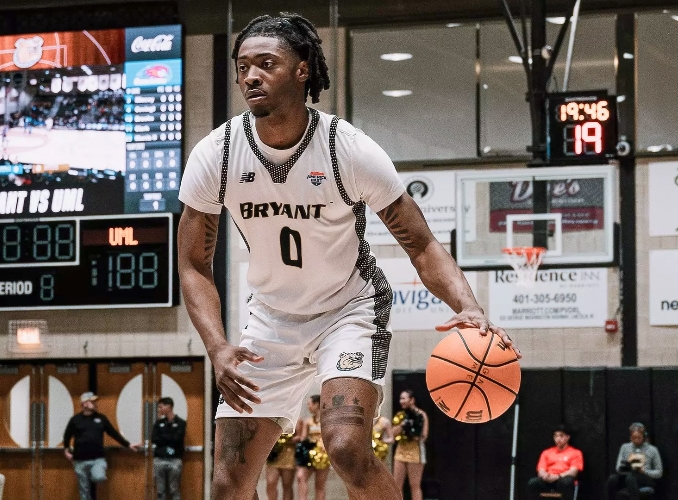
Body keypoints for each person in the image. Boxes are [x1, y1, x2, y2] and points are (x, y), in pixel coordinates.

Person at [176, 11, 519, 500]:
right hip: (270, 319)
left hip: (348, 310)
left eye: (266, 64)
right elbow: (193, 264)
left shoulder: (347, 150)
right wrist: (216, 347)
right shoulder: (218, 153)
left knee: (347, 448)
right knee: (228, 483)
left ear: (302, 70)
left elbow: (421, 244)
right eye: (243, 66)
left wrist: (467, 306)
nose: (250, 76)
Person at [63, 392, 140, 500]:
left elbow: (113, 433)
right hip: (80, 459)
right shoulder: (75, 420)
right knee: (84, 490)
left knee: (99, 477)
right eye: (92, 402)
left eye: (95, 402)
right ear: (84, 404)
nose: (95, 404)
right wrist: (66, 449)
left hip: (97, 458)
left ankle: (92, 476)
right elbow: (67, 435)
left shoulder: (101, 418)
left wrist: (127, 444)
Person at [607, 422, 663, 500]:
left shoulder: (652, 449)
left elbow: (659, 473)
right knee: (612, 479)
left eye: (639, 437)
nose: (636, 440)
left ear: (644, 436)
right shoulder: (625, 447)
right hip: (627, 475)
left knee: (630, 478)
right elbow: (618, 467)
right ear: (630, 437)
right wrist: (627, 466)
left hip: (644, 477)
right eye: (634, 437)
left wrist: (644, 471)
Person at [527, 424, 583, 500]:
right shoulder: (546, 452)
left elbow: (573, 472)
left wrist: (558, 476)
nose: (558, 439)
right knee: (533, 482)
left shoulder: (576, 453)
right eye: (555, 436)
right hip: (548, 480)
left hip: (562, 479)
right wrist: (545, 476)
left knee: (567, 481)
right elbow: (541, 470)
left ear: (568, 437)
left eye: (561, 436)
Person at [392, 390, 429, 500]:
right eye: (400, 398)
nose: (401, 401)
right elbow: (392, 433)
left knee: (414, 485)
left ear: (412, 400)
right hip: (401, 450)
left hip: (415, 451)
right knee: (397, 484)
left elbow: (424, 435)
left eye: (404, 398)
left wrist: (413, 432)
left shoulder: (421, 415)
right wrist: (403, 425)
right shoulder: (401, 415)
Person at [151, 397, 186, 500]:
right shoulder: (158, 423)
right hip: (159, 459)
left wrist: (164, 438)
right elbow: (154, 439)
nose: (159, 409)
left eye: (161, 407)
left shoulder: (181, 423)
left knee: (174, 489)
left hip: (175, 459)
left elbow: (177, 439)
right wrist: (169, 438)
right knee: (160, 491)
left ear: (169, 406)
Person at [295, 395, 329, 500]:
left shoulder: (327, 421)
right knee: (301, 476)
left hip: (323, 454)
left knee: (319, 485)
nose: (308, 407)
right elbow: (303, 438)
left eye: (309, 404)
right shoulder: (308, 421)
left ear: (317, 404)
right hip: (309, 453)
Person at [265, 431, 296, 500]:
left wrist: (287, 439)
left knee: (287, 484)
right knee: (271, 482)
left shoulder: (296, 423)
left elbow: (300, 436)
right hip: (274, 453)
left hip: (288, 453)